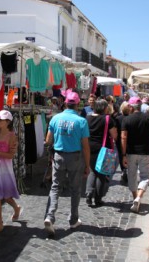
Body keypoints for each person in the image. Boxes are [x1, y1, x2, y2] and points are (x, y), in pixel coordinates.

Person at [44, 91, 90, 236]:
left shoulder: (55, 118)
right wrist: (87, 165)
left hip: (58, 155)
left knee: (55, 187)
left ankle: (50, 216)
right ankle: (73, 220)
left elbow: (48, 140)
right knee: (75, 189)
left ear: (65, 103)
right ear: (77, 105)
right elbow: (85, 146)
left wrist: (51, 153)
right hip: (75, 157)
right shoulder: (81, 121)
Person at [121, 97, 149, 213]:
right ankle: (138, 197)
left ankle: (135, 197)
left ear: (131, 107)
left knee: (131, 175)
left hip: (131, 152)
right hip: (146, 151)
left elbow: (124, 137)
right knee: (145, 176)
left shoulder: (126, 120)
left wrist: (123, 154)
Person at [85, 99, 117, 206]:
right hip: (103, 149)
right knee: (101, 174)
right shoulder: (108, 119)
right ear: (104, 108)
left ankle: (89, 194)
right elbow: (114, 135)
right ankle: (98, 199)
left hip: (89, 148)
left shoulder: (88, 118)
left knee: (92, 171)